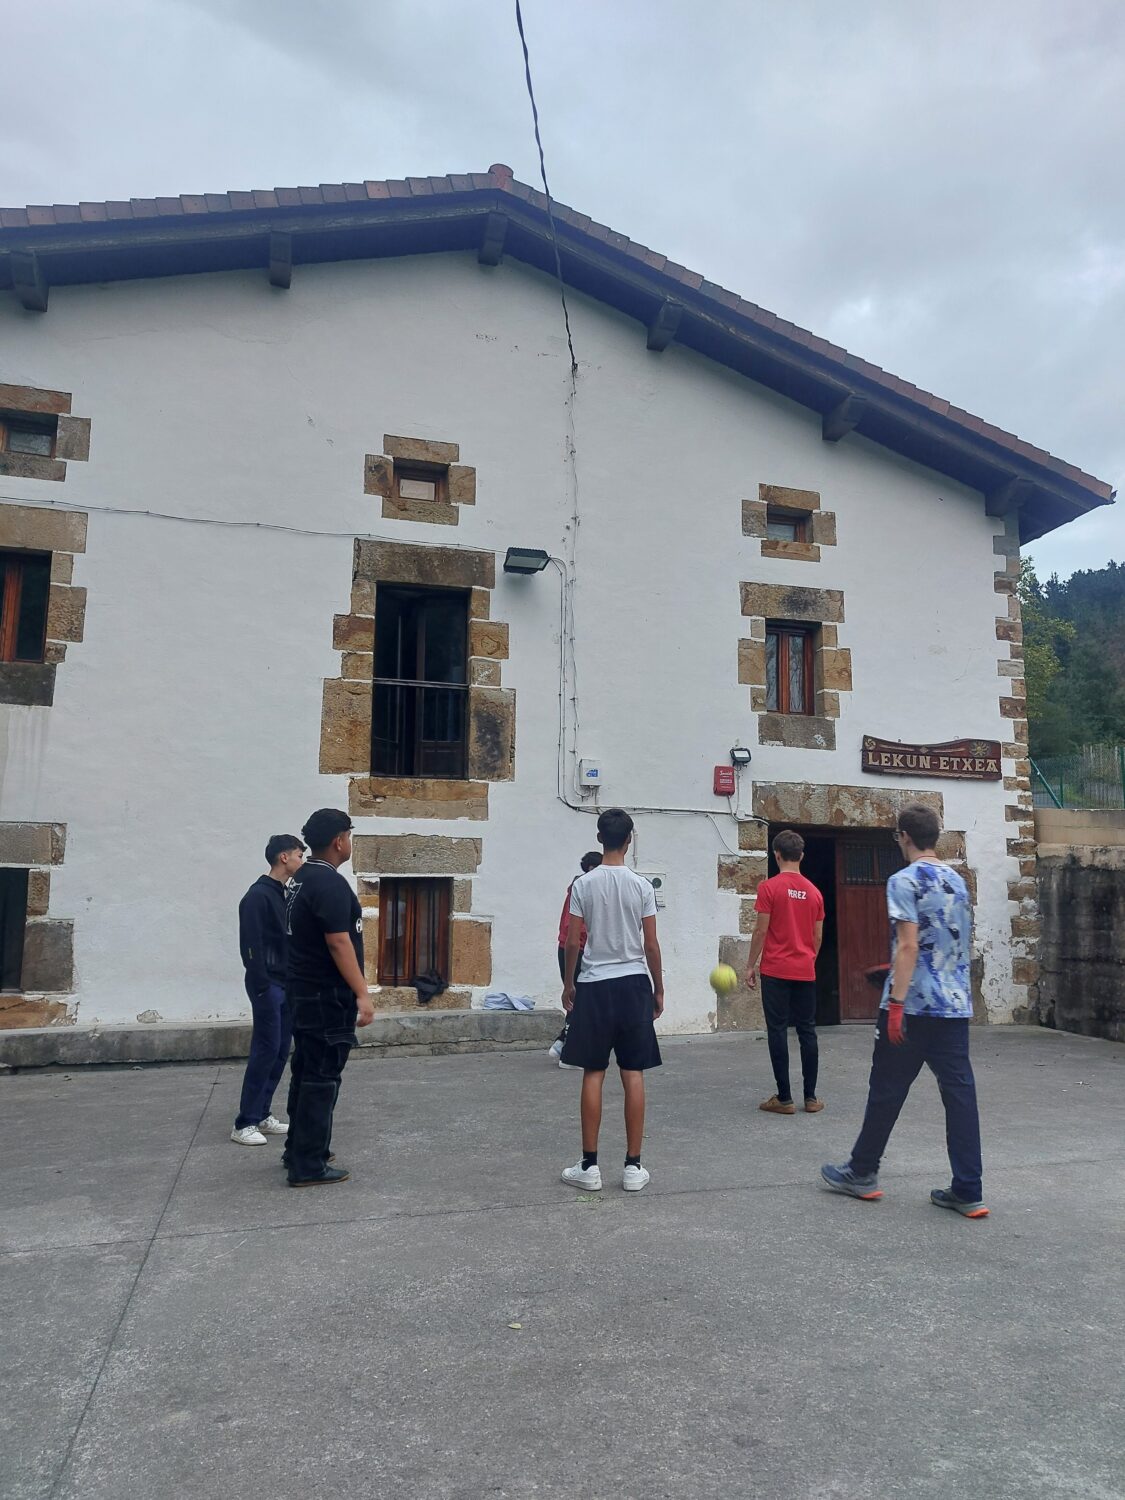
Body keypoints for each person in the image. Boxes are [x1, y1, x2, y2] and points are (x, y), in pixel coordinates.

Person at [821, 803, 988, 1218]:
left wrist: (895, 1002)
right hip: (953, 1007)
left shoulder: (903, 880)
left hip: (912, 1007)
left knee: (886, 1090)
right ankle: (968, 1189)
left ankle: (862, 1171)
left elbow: (911, 944)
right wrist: (894, 969)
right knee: (960, 1096)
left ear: (905, 837)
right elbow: (945, 944)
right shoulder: (958, 881)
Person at [559, 808, 663, 1193]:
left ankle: (589, 1166)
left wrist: (569, 983)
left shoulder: (583, 884)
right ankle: (633, 1166)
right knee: (633, 1072)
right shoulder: (642, 886)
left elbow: (573, 941)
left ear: (600, 838)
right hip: (634, 984)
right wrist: (658, 988)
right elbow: (650, 945)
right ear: (629, 840)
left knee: (593, 1072)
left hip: (595, 984)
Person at [281, 808, 375, 1188]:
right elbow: (338, 942)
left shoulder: (301, 878)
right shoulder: (329, 884)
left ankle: (298, 1149)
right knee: (322, 1076)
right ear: (339, 840)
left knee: (306, 1071)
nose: (349, 842)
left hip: (303, 990)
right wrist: (362, 993)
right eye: (349, 836)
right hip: (325, 995)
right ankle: (308, 1163)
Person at [231, 834, 307, 1146]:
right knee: (265, 1050)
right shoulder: (257, 896)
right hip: (268, 985)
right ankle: (244, 1123)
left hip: (284, 985)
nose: (302, 861)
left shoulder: (283, 893)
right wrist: (262, 984)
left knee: (279, 1050)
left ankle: (262, 1114)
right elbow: (250, 945)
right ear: (284, 857)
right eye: (299, 855)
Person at [745, 828, 825, 1115]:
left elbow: (761, 930)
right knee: (807, 1031)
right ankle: (811, 1097)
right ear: (801, 856)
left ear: (776, 855)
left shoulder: (769, 888)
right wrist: (808, 960)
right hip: (805, 969)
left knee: (777, 1030)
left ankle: (784, 1098)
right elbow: (817, 936)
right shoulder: (815, 892)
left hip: (776, 970)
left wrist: (750, 965)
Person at [548, 850, 603, 1062]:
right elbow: (574, 929)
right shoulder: (583, 890)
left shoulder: (579, 887)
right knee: (580, 999)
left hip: (572, 947)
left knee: (582, 999)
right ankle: (566, 1044)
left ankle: (566, 1042)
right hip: (576, 949)